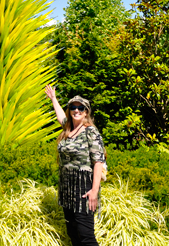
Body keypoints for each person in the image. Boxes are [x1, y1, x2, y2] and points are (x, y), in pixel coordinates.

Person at [45, 85, 105, 246]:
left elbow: (98, 162)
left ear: (86, 112)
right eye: (73, 107)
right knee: (72, 233)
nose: (76, 110)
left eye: (80, 108)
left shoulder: (91, 132)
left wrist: (94, 191)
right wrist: (53, 98)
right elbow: (60, 117)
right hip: (66, 187)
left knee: (86, 235)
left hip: (83, 187)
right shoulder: (68, 128)